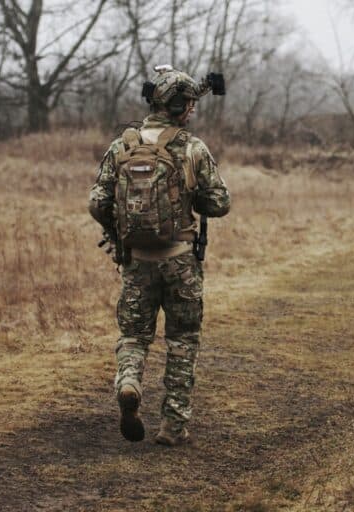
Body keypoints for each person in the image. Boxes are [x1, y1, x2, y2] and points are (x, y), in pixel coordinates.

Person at [88, 66, 230, 445]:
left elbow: (97, 201)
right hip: (181, 260)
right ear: (181, 106)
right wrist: (192, 196)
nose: (193, 112)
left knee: (134, 335)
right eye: (190, 105)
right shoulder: (192, 148)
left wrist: (117, 234)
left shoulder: (123, 145)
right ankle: (173, 426)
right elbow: (220, 203)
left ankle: (130, 381)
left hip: (136, 261)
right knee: (182, 340)